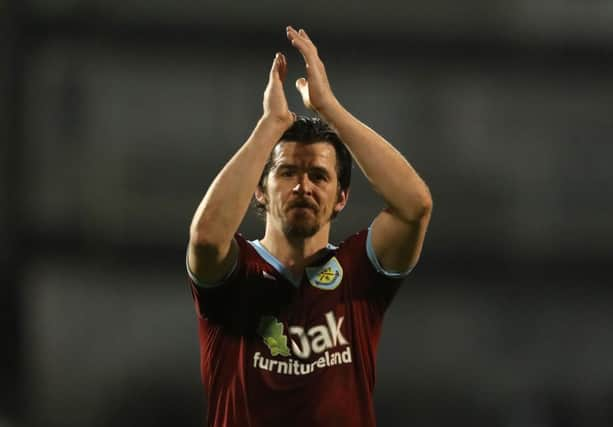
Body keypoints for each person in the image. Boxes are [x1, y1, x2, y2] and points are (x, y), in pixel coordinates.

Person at [186, 26, 433, 427]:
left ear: (341, 197)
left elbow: (414, 206)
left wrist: (330, 108)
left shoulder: (357, 271)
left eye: (319, 176)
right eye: (287, 173)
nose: (303, 186)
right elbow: (206, 235)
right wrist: (270, 126)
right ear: (260, 192)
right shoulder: (236, 273)